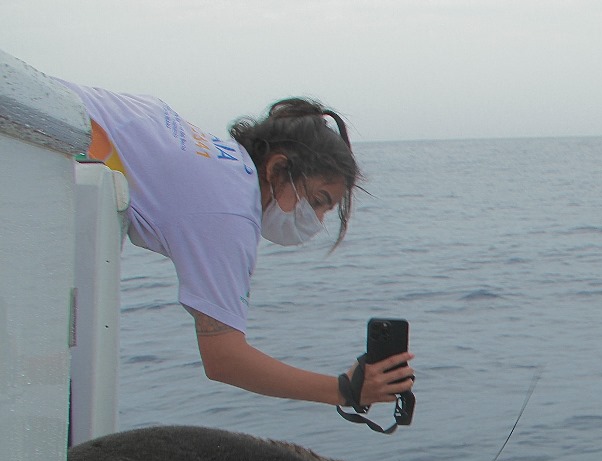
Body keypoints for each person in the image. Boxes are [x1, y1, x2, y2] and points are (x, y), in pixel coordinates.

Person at [58, 80, 414, 411]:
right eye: (318, 201)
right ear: (277, 169)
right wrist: (345, 390)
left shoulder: (223, 166)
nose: (316, 220)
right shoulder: (229, 212)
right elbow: (225, 360)